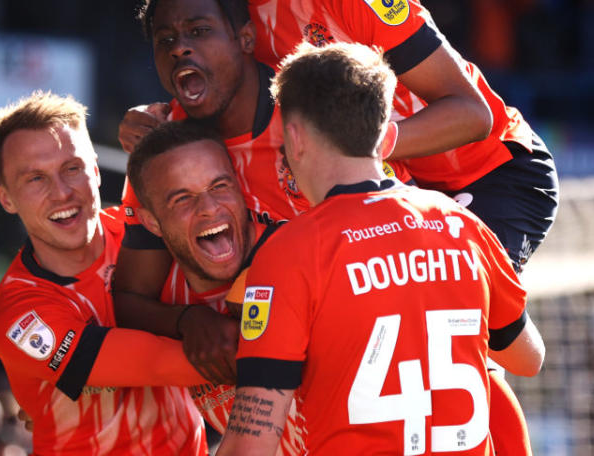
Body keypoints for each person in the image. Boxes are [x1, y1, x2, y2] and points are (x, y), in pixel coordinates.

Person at [190, 0, 558, 275]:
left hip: (493, 174)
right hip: (399, 190)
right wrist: (160, 116)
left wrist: (367, 144)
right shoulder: (233, 12)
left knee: (451, 316)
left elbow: (472, 113)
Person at [216, 42, 545, 456]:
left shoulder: (288, 254)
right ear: (387, 136)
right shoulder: (463, 226)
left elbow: (251, 445)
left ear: (294, 138)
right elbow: (528, 359)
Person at [113, 0, 408, 376]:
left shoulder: (316, 120)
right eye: (165, 40)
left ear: (246, 39)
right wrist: (188, 321)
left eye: (199, 31)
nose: (180, 48)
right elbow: (130, 297)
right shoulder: (163, 149)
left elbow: (396, 249)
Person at [0, 90, 207, 455]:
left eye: (72, 168)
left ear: (97, 170)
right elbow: (156, 363)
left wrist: (161, 120)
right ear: (6, 198)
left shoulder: (146, 228)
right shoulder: (18, 314)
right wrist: (275, 346)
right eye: (35, 179)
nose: (62, 193)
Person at [125, 119, 305, 454]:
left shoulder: (300, 258)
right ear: (151, 223)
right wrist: (184, 320)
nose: (209, 209)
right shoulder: (159, 298)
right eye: (182, 199)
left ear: (240, 188)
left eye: (220, 187)